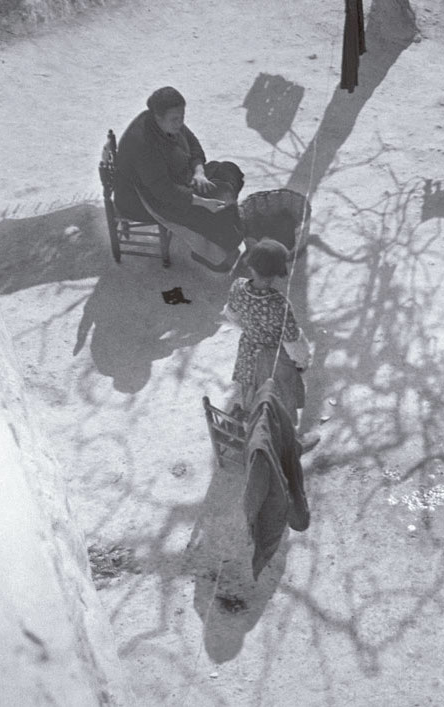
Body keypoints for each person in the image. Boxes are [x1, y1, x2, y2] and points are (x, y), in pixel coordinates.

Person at [114, 86, 246, 272]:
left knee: (228, 171)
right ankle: (210, 255)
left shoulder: (167, 121)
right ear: (158, 117)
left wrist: (199, 172)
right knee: (209, 211)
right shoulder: (143, 144)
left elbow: (193, 144)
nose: (180, 123)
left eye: (182, 117)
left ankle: (224, 232)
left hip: (178, 178)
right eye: (175, 119)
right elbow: (163, 190)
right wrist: (201, 202)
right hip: (144, 199)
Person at [223, 239, 319, 449]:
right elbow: (293, 341)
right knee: (280, 404)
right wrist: (303, 361)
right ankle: (291, 444)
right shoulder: (279, 303)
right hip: (275, 361)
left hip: (248, 352)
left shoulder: (238, 286)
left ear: (252, 264)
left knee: (251, 395)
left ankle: (254, 433)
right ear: (277, 271)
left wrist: (252, 330)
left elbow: (231, 315)